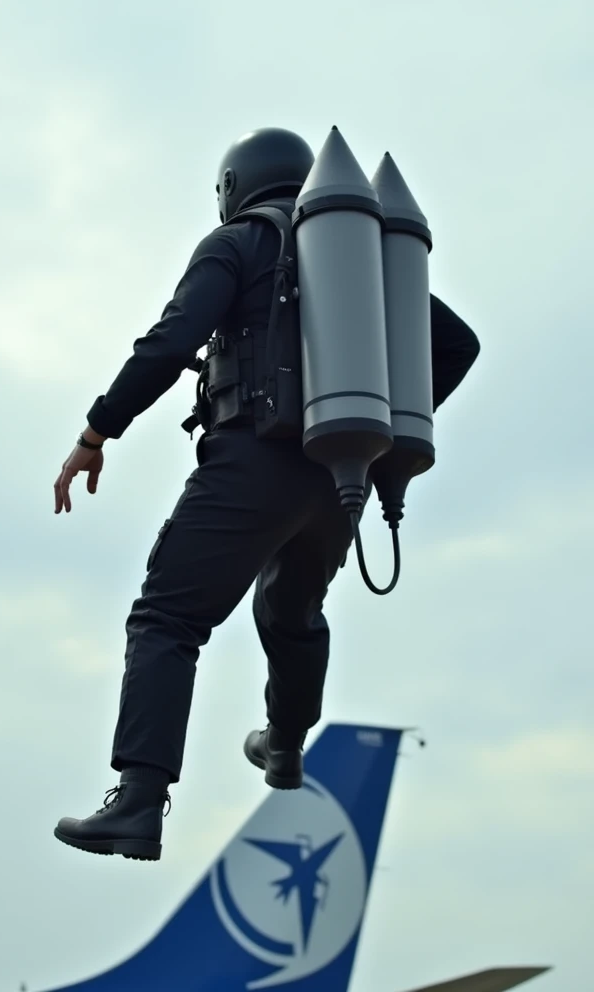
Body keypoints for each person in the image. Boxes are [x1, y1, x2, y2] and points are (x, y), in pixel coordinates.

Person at [52, 128, 480, 862]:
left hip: (252, 460)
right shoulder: (360, 257)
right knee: (291, 609)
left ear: (233, 186)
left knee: (167, 618)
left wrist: (98, 429)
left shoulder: (241, 241)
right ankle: (284, 745)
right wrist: (383, 432)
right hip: (338, 465)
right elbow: (457, 344)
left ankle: (139, 803)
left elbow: (169, 340)